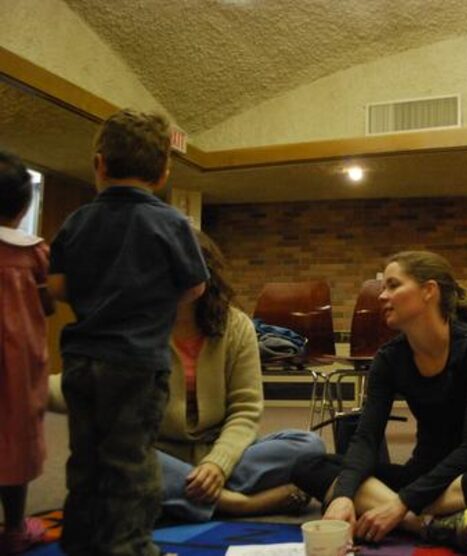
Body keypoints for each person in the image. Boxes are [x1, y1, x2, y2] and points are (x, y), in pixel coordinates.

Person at [48, 229, 326, 521]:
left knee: (309, 445)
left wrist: (218, 465)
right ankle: (238, 504)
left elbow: (244, 411)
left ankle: (174, 496)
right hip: (156, 453)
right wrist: (25, 388)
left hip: (223, 452)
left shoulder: (236, 326)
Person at [291, 251, 467, 553]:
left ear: (429, 291)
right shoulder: (389, 358)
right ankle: (427, 525)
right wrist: (342, 496)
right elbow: (366, 438)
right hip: (424, 476)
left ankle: (399, 512)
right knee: (308, 465)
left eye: (393, 285)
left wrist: (400, 502)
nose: (382, 295)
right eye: (383, 287)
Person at [47, 109, 209, 556]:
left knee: (86, 459)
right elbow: (195, 285)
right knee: (131, 464)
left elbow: (57, 285)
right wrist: (149, 298)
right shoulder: (171, 223)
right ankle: (131, 548)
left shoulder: (77, 221)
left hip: (81, 361)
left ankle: (80, 544)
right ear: (163, 172)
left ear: (99, 164)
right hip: (137, 364)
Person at [0, 150, 54, 554]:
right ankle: (16, 527)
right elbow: (48, 303)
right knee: (16, 438)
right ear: (24, 207)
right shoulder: (34, 252)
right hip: (16, 366)